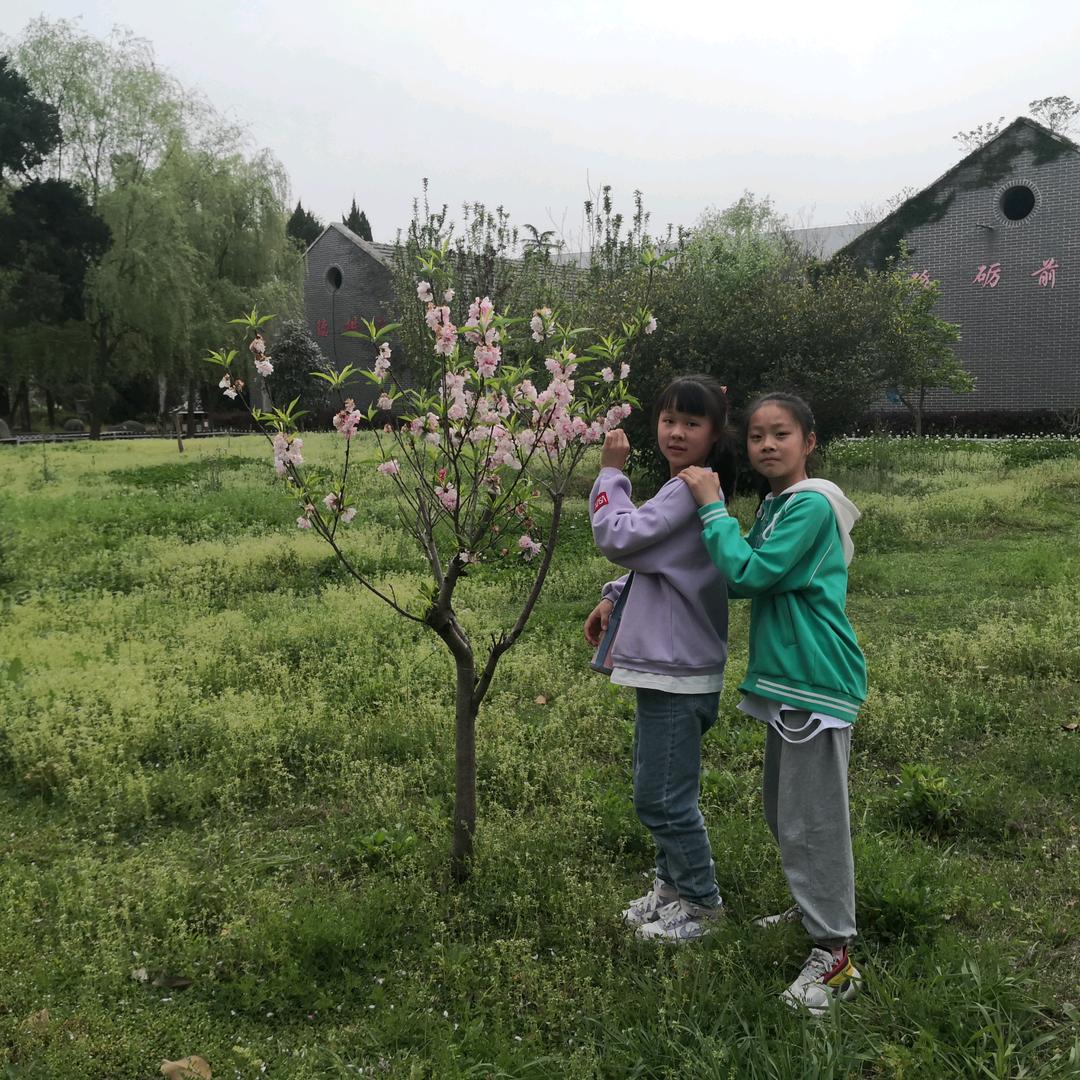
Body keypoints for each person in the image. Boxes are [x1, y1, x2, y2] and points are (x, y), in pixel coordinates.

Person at [680, 391, 866, 1013]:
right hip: (793, 681)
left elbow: (747, 577)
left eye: (780, 433)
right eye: (756, 435)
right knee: (786, 813)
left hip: (815, 680)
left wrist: (711, 509)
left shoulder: (809, 505)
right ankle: (811, 904)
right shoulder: (779, 505)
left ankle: (835, 955)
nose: (765, 445)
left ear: (809, 441)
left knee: (813, 821)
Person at [584, 375, 730, 943]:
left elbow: (618, 536)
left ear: (714, 433)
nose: (676, 432)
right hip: (671, 668)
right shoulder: (689, 489)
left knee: (662, 796)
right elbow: (660, 562)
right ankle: (671, 890)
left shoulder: (686, 490)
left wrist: (609, 472)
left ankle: (702, 904)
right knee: (662, 786)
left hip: (677, 672)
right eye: (669, 419)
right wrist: (614, 595)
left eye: (692, 423)